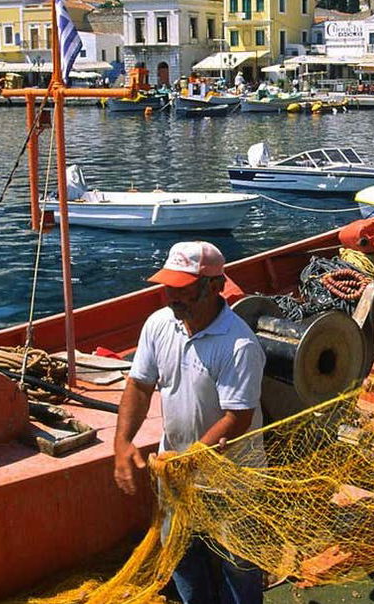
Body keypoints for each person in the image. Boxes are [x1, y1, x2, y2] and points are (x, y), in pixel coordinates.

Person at [113, 241, 266, 604]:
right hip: (177, 474)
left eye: (182, 288)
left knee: (238, 566)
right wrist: (122, 442)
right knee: (181, 555)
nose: (172, 296)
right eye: (168, 286)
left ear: (214, 286)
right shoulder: (159, 325)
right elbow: (139, 385)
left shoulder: (238, 345)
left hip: (232, 480)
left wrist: (191, 458)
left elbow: (237, 416)